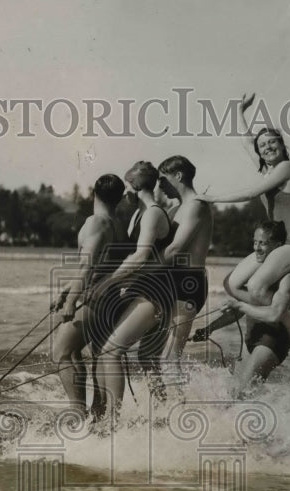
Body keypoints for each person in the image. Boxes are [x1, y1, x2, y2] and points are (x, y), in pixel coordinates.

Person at [198, 92, 290, 344]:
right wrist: (239, 111)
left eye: (272, 143)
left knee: (257, 285)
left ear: (282, 145)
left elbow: (250, 193)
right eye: (263, 146)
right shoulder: (267, 169)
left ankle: (289, 322)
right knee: (232, 283)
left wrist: (211, 198)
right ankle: (270, 314)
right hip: (275, 245)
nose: (267, 148)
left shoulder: (286, 169)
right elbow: (246, 142)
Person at [85, 161, 176, 420]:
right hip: (141, 291)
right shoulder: (139, 214)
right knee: (109, 351)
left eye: (126, 187)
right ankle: (105, 415)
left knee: (111, 351)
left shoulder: (152, 214)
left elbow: (140, 256)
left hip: (155, 295)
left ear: (135, 188)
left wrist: (107, 283)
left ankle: (112, 423)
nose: (124, 194)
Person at [192, 221, 290, 394]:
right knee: (233, 393)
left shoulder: (288, 278)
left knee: (242, 395)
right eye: (255, 242)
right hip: (251, 339)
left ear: (279, 247)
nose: (256, 248)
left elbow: (274, 314)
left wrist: (240, 305)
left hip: (272, 342)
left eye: (263, 243)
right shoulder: (254, 275)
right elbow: (238, 311)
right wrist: (210, 328)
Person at [50, 173, 129, 414]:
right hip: (113, 297)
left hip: (96, 299)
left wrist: (71, 303)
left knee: (61, 352)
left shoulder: (96, 222)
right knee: (95, 354)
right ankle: (98, 416)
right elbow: (102, 265)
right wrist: (67, 291)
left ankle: (76, 412)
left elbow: (87, 266)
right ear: (120, 198)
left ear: (94, 193)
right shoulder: (119, 224)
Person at [156, 155, 213, 358]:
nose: (160, 185)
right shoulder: (175, 209)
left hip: (189, 283)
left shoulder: (197, 205)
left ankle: (185, 391)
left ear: (178, 176)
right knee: (153, 355)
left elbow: (175, 249)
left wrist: (139, 270)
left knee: (170, 358)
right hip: (170, 281)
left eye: (163, 179)